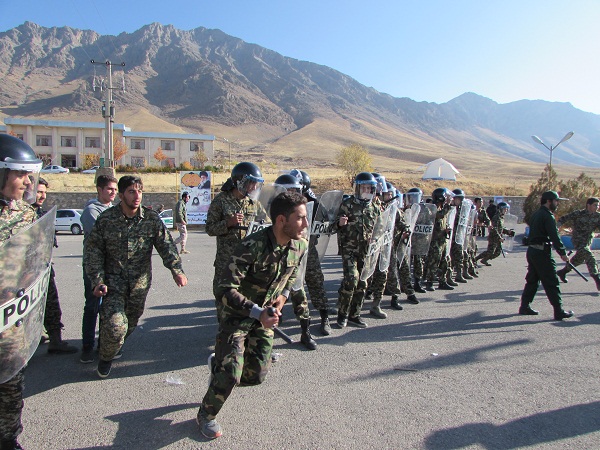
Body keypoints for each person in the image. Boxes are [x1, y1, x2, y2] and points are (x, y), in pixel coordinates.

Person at [196, 192, 309, 439]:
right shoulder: (252, 246)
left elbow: (291, 277)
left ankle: (218, 366)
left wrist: (283, 297)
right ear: (281, 220)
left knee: (255, 376)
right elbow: (223, 289)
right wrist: (257, 312)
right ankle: (206, 414)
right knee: (230, 374)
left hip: (265, 317)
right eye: (300, 218)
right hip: (238, 315)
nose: (306, 224)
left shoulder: (299, 245)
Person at [83, 176, 187, 378]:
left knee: (129, 324)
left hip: (140, 285)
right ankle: (105, 358)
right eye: (131, 191)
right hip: (113, 284)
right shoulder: (107, 220)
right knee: (115, 325)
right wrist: (97, 280)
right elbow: (93, 251)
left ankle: (111, 345)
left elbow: (166, 245)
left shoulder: (150, 219)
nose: (137, 195)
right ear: (121, 195)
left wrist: (177, 270)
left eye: (139, 191)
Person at [0, 134, 44, 450]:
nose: (27, 181)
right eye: (20, 173)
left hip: (8, 322)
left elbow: (33, 258)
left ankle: (8, 438)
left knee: (12, 386)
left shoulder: (24, 213)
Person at [205, 162, 266, 312]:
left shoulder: (254, 204)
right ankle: (224, 333)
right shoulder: (220, 201)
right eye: (251, 183)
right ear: (240, 182)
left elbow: (266, 224)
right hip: (226, 262)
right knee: (223, 300)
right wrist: (228, 223)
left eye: (256, 184)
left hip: (248, 263)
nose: (254, 187)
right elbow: (209, 228)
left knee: (246, 302)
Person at [33, 178, 78, 354]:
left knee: (51, 305)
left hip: (43, 269)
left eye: (44, 192)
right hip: (22, 273)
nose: (42, 196)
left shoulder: (41, 214)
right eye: (38, 192)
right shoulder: (21, 214)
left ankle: (55, 341)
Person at [79, 174, 118, 364]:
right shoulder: (91, 211)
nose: (113, 193)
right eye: (110, 189)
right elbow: (103, 237)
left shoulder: (113, 210)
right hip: (94, 267)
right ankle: (87, 347)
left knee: (109, 307)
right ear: (99, 189)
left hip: (111, 266)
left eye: (115, 189)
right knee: (93, 305)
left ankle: (105, 345)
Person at [334, 172, 380, 328]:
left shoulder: (375, 208)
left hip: (366, 252)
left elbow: (380, 228)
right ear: (358, 188)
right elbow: (332, 226)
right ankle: (342, 313)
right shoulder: (348, 204)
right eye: (363, 187)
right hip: (349, 249)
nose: (366, 190)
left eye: (369, 188)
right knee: (351, 280)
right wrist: (340, 223)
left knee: (362, 283)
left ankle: (355, 314)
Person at [518, 191, 574, 321]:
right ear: (549, 201)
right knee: (551, 281)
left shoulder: (537, 214)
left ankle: (524, 306)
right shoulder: (548, 216)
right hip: (542, 253)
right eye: (556, 201)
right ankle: (558, 311)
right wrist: (563, 253)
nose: (557, 203)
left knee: (532, 279)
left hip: (533, 251)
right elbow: (554, 236)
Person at [556, 197, 600, 289]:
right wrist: (556, 227)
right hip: (578, 240)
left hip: (587, 241)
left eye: (598, 205)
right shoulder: (578, 214)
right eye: (595, 205)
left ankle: (563, 272)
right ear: (588, 205)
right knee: (589, 257)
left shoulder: (598, 216)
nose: (597, 207)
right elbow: (563, 219)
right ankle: (597, 278)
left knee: (579, 258)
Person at [475, 202, 514, 266]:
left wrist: (507, 231)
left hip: (498, 237)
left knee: (497, 252)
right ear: (500, 209)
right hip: (493, 237)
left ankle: (484, 260)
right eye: (504, 209)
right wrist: (499, 238)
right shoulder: (496, 217)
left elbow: (500, 228)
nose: (506, 210)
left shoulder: (501, 218)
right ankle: (475, 259)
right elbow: (494, 229)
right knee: (490, 252)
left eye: (506, 209)